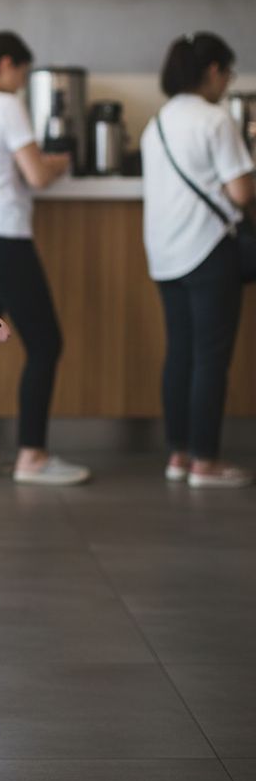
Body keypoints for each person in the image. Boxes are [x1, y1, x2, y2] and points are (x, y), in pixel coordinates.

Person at [0, 32, 91, 487]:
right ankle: (32, 454)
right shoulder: (5, 104)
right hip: (5, 239)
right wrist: (61, 162)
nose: (21, 83)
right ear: (6, 65)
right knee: (46, 343)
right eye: (21, 74)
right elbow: (38, 175)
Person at [141, 31, 255, 488]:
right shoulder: (215, 119)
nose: (228, 82)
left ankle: (179, 455)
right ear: (213, 72)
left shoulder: (158, 122)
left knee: (181, 354)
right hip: (208, 251)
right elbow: (241, 192)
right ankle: (206, 462)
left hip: (166, 254)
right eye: (228, 72)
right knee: (210, 358)